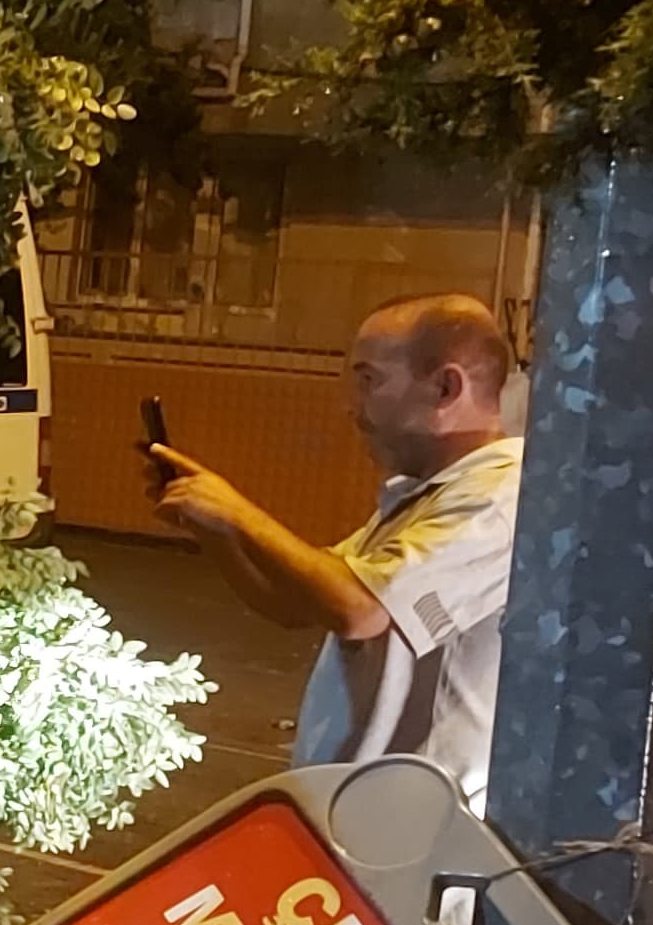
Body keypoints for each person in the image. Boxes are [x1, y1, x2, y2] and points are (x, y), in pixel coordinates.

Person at [143, 294, 524, 802]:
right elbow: (293, 603)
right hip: (365, 816)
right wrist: (213, 529)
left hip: (416, 831)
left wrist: (235, 510)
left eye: (370, 379)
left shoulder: (499, 496)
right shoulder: (430, 493)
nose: (353, 405)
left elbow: (360, 611)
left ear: (444, 387)